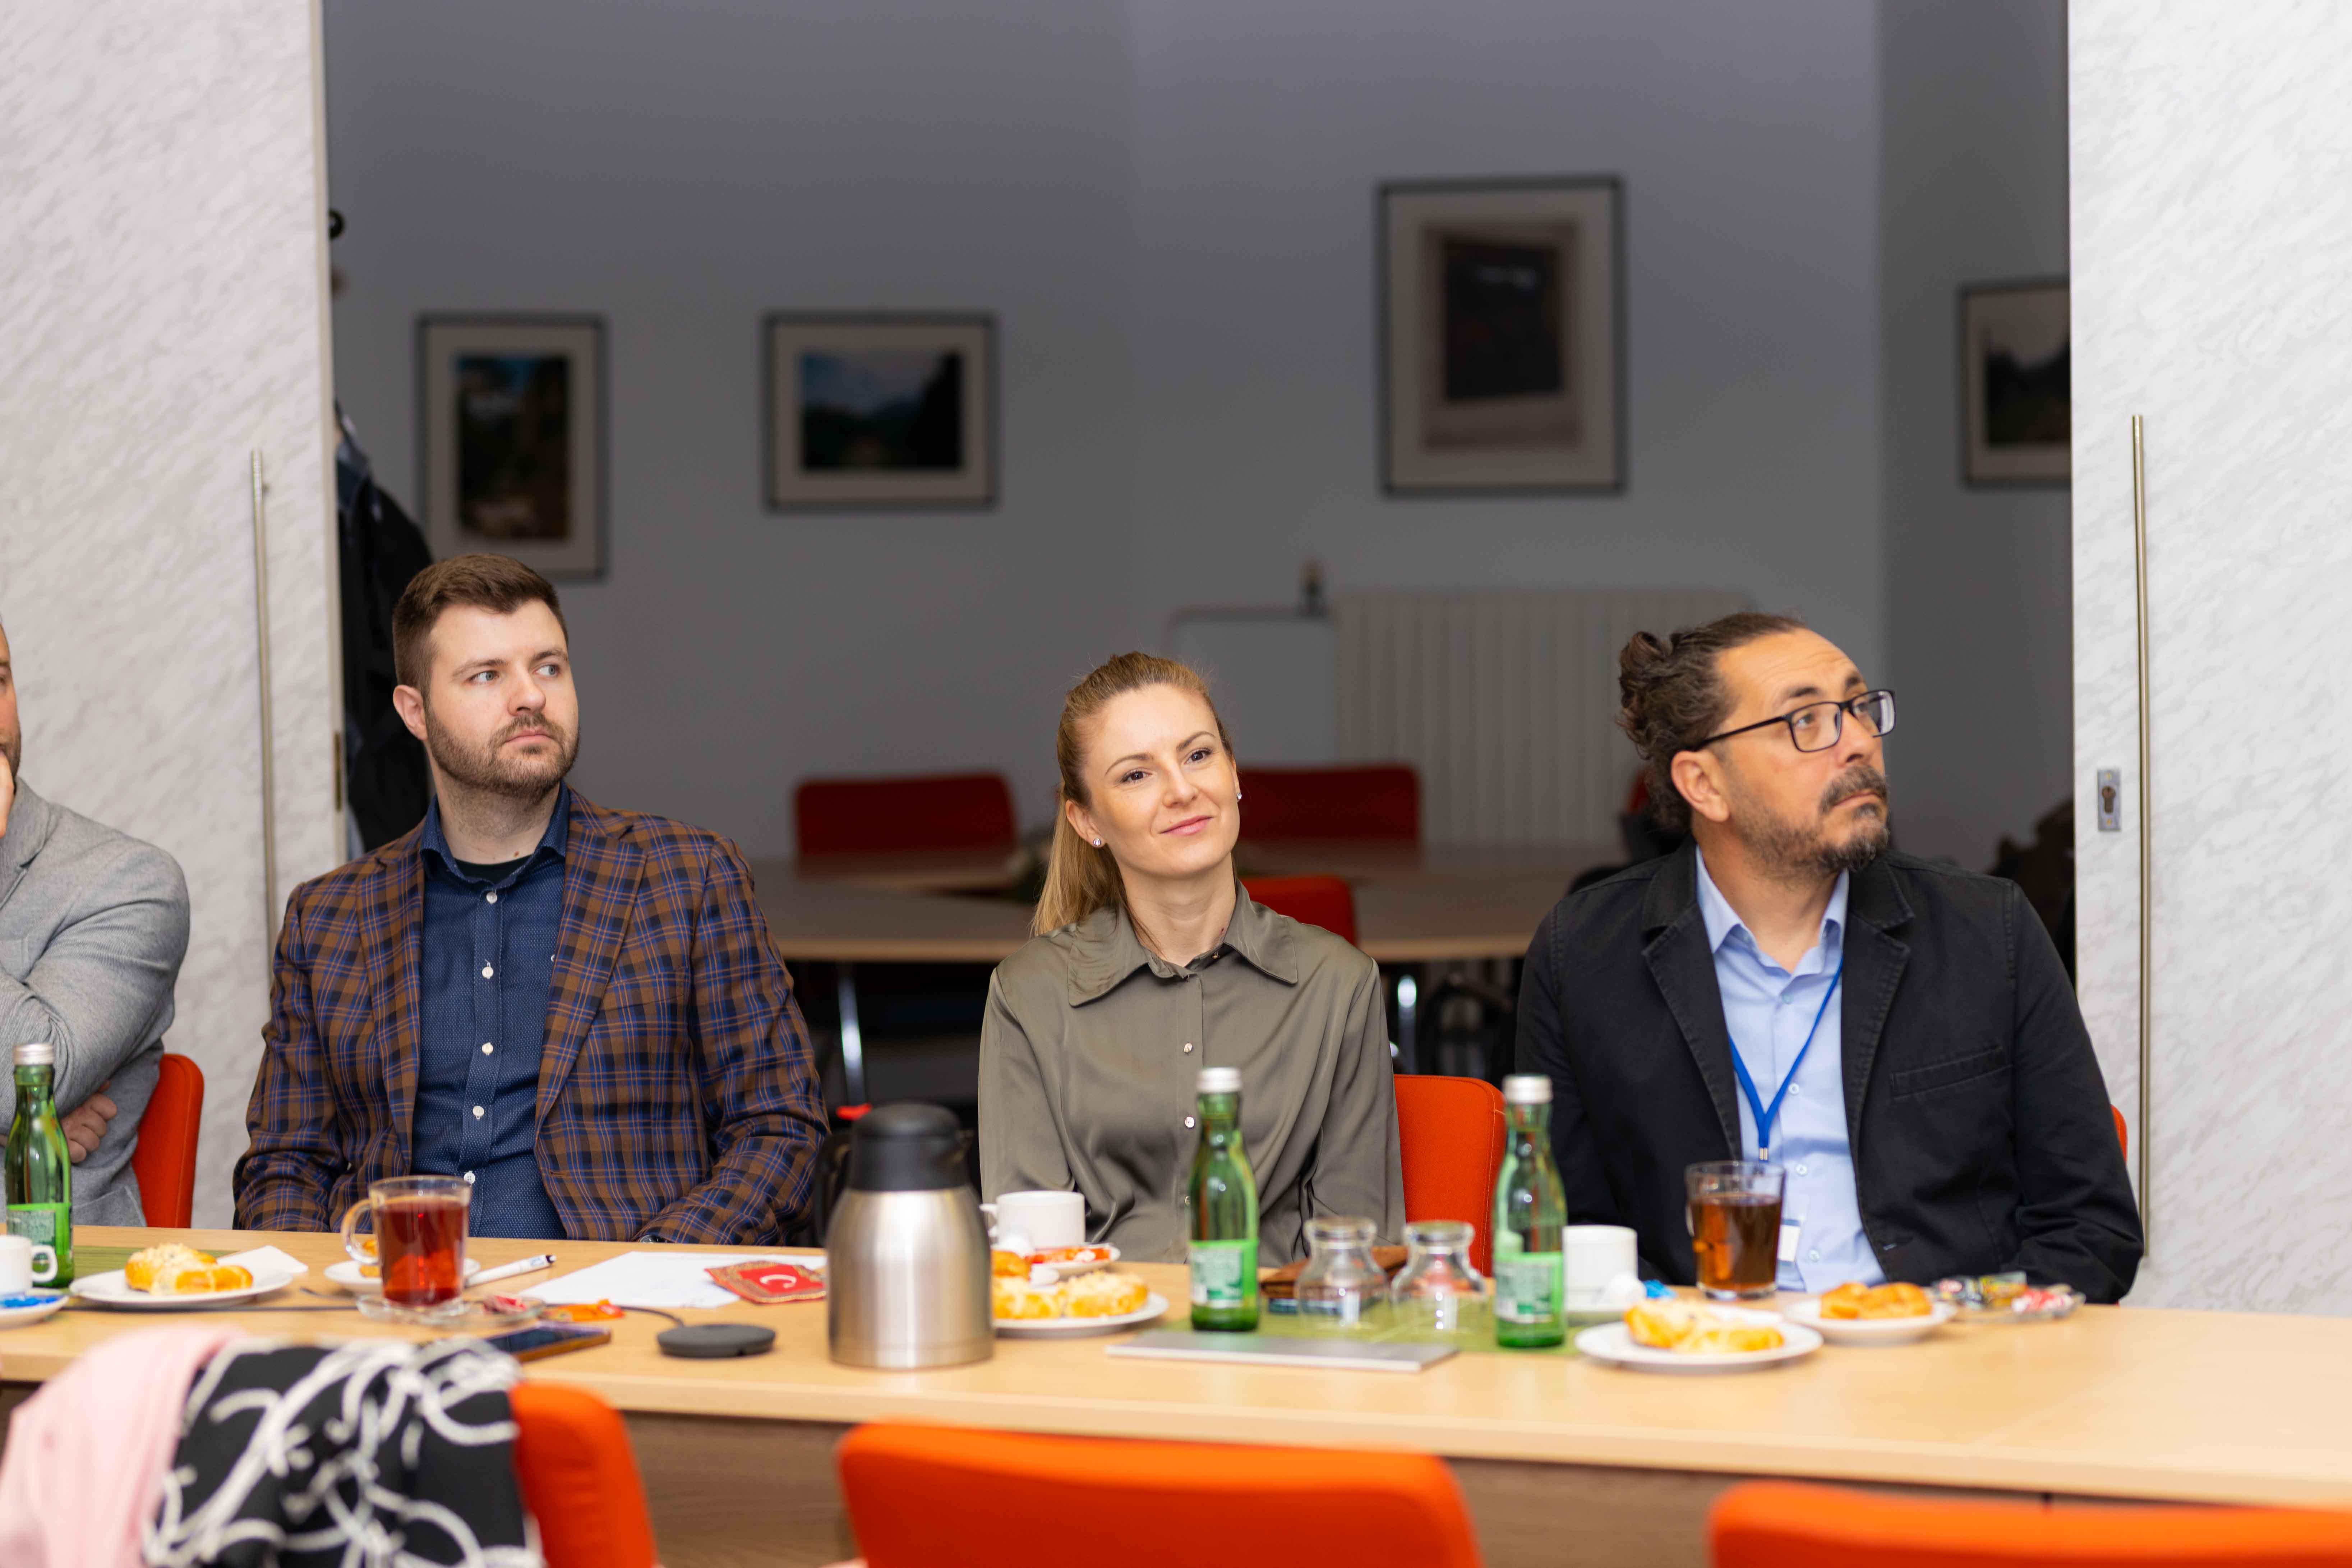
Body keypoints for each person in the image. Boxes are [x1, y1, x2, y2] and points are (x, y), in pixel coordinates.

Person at [1514, 612, 2143, 1302]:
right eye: (1805, 721)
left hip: (1938, 1344)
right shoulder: (1584, 954)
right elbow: (1562, 1229)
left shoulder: (1984, 931)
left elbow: (2090, 1225)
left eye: (1859, 707)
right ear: (1704, 784)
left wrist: (1962, 1332)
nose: (1859, 742)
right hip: (1701, 1349)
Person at [234, 555, 825, 1242]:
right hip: (397, 1293)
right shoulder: (329, 918)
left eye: (548, 667)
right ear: (415, 712)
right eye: (487, 675)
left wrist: (658, 1265)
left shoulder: (687, 880)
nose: (532, 697)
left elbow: (778, 1126)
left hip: (621, 1292)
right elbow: (285, 1164)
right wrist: (320, 1288)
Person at [979, 652, 1404, 1265]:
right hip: (1100, 1321)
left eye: (1198, 755)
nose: (1182, 791)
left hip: (1276, 1319)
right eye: (1136, 775)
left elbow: (1356, 1250)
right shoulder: (1029, 994)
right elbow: (1031, 1255)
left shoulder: (1338, 984)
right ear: (1086, 819)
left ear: (1234, 773)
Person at [0, 617, 191, 1224]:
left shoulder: (129, 882)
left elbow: (35, 1084)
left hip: (55, 1270)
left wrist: (22, 1119)